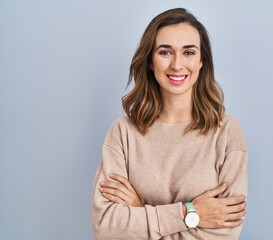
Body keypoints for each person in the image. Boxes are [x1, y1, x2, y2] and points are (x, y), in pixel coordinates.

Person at [92, 8, 248, 240]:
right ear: (151, 62)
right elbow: (106, 228)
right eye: (165, 52)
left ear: (201, 61)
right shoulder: (123, 132)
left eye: (188, 52)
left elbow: (224, 234)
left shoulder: (226, 133)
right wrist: (190, 213)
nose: (177, 64)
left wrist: (139, 209)